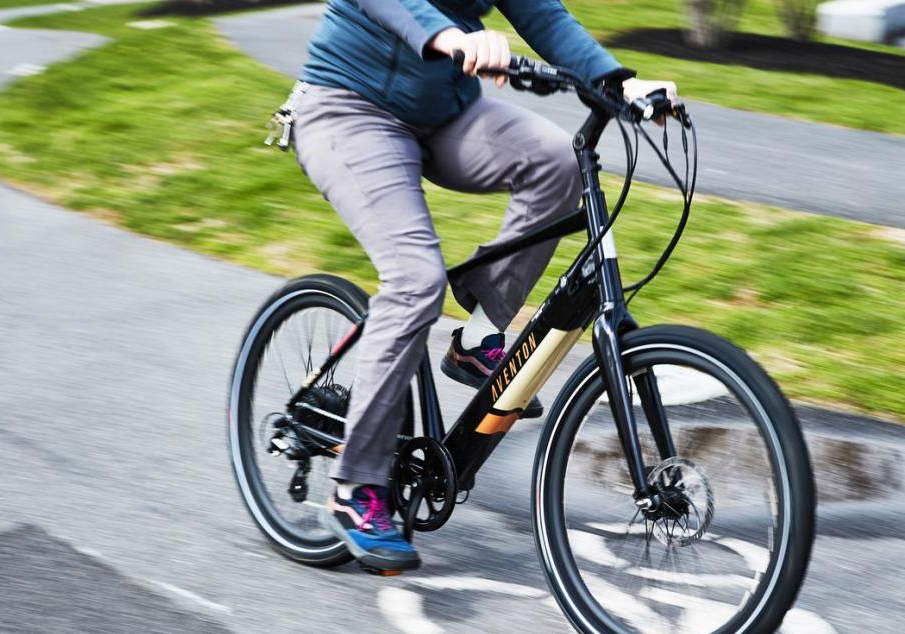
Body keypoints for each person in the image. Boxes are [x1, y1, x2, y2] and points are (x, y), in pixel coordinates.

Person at [283, 0, 678, 572]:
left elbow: (541, 13)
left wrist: (619, 81)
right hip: (347, 108)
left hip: (444, 116)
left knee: (558, 164)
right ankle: (356, 488)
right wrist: (448, 35)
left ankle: (479, 336)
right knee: (415, 279)